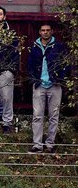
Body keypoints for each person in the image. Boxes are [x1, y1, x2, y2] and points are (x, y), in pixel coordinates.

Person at [28, 23, 70, 154]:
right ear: (39, 32)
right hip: (39, 85)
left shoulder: (59, 46)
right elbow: (29, 64)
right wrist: (33, 78)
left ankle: (50, 144)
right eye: (42, 30)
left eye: (47, 30)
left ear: (51, 32)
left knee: (54, 115)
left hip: (54, 84)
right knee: (37, 115)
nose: (45, 32)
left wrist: (60, 78)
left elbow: (66, 64)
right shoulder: (34, 47)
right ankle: (37, 145)